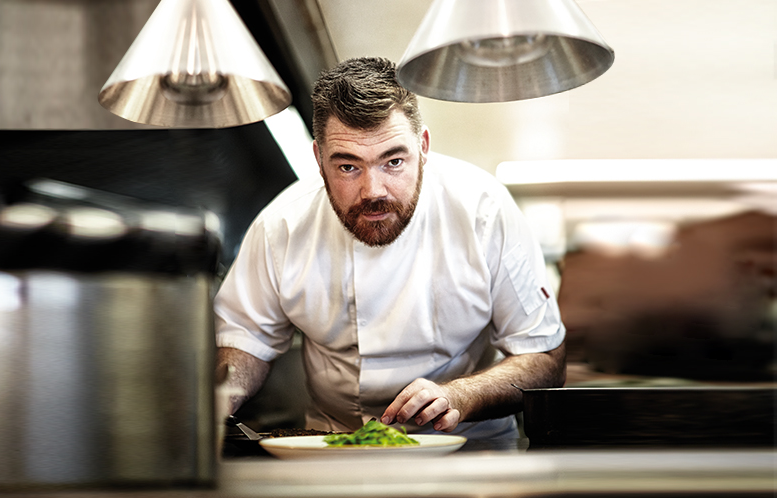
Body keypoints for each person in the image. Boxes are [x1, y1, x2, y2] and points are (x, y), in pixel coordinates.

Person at [215, 57, 565, 440]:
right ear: (318, 160)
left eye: (393, 161)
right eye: (348, 167)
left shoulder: (484, 210)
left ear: (424, 147)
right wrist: (219, 398)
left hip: (469, 450)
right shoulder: (280, 227)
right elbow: (243, 341)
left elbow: (544, 357)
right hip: (332, 450)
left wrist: (460, 395)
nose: (373, 191)